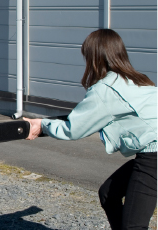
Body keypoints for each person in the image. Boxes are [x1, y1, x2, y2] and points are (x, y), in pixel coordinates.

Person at [24, 29, 156, 230]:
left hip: (153, 157)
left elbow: (73, 128)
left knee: (134, 226)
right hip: (151, 153)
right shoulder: (138, 79)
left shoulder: (105, 89)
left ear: (94, 58)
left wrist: (41, 125)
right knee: (108, 194)